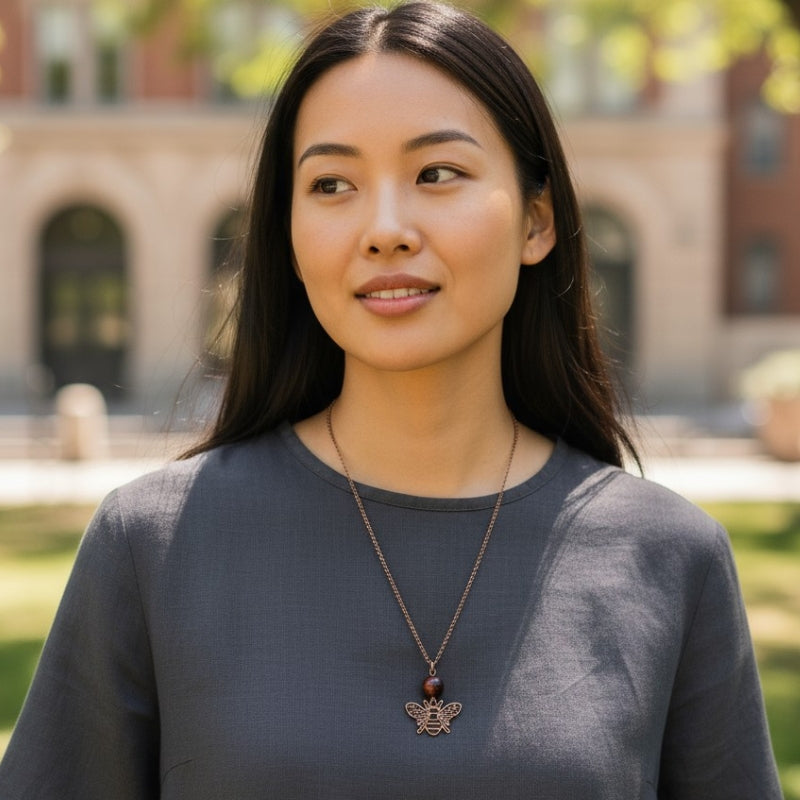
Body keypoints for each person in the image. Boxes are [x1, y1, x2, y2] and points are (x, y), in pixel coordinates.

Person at [0, 3, 781, 798]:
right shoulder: (153, 547)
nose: (384, 229)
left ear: (536, 221)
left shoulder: (673, 560)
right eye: (332, 183)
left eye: (437, 173)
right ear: (292, 238)